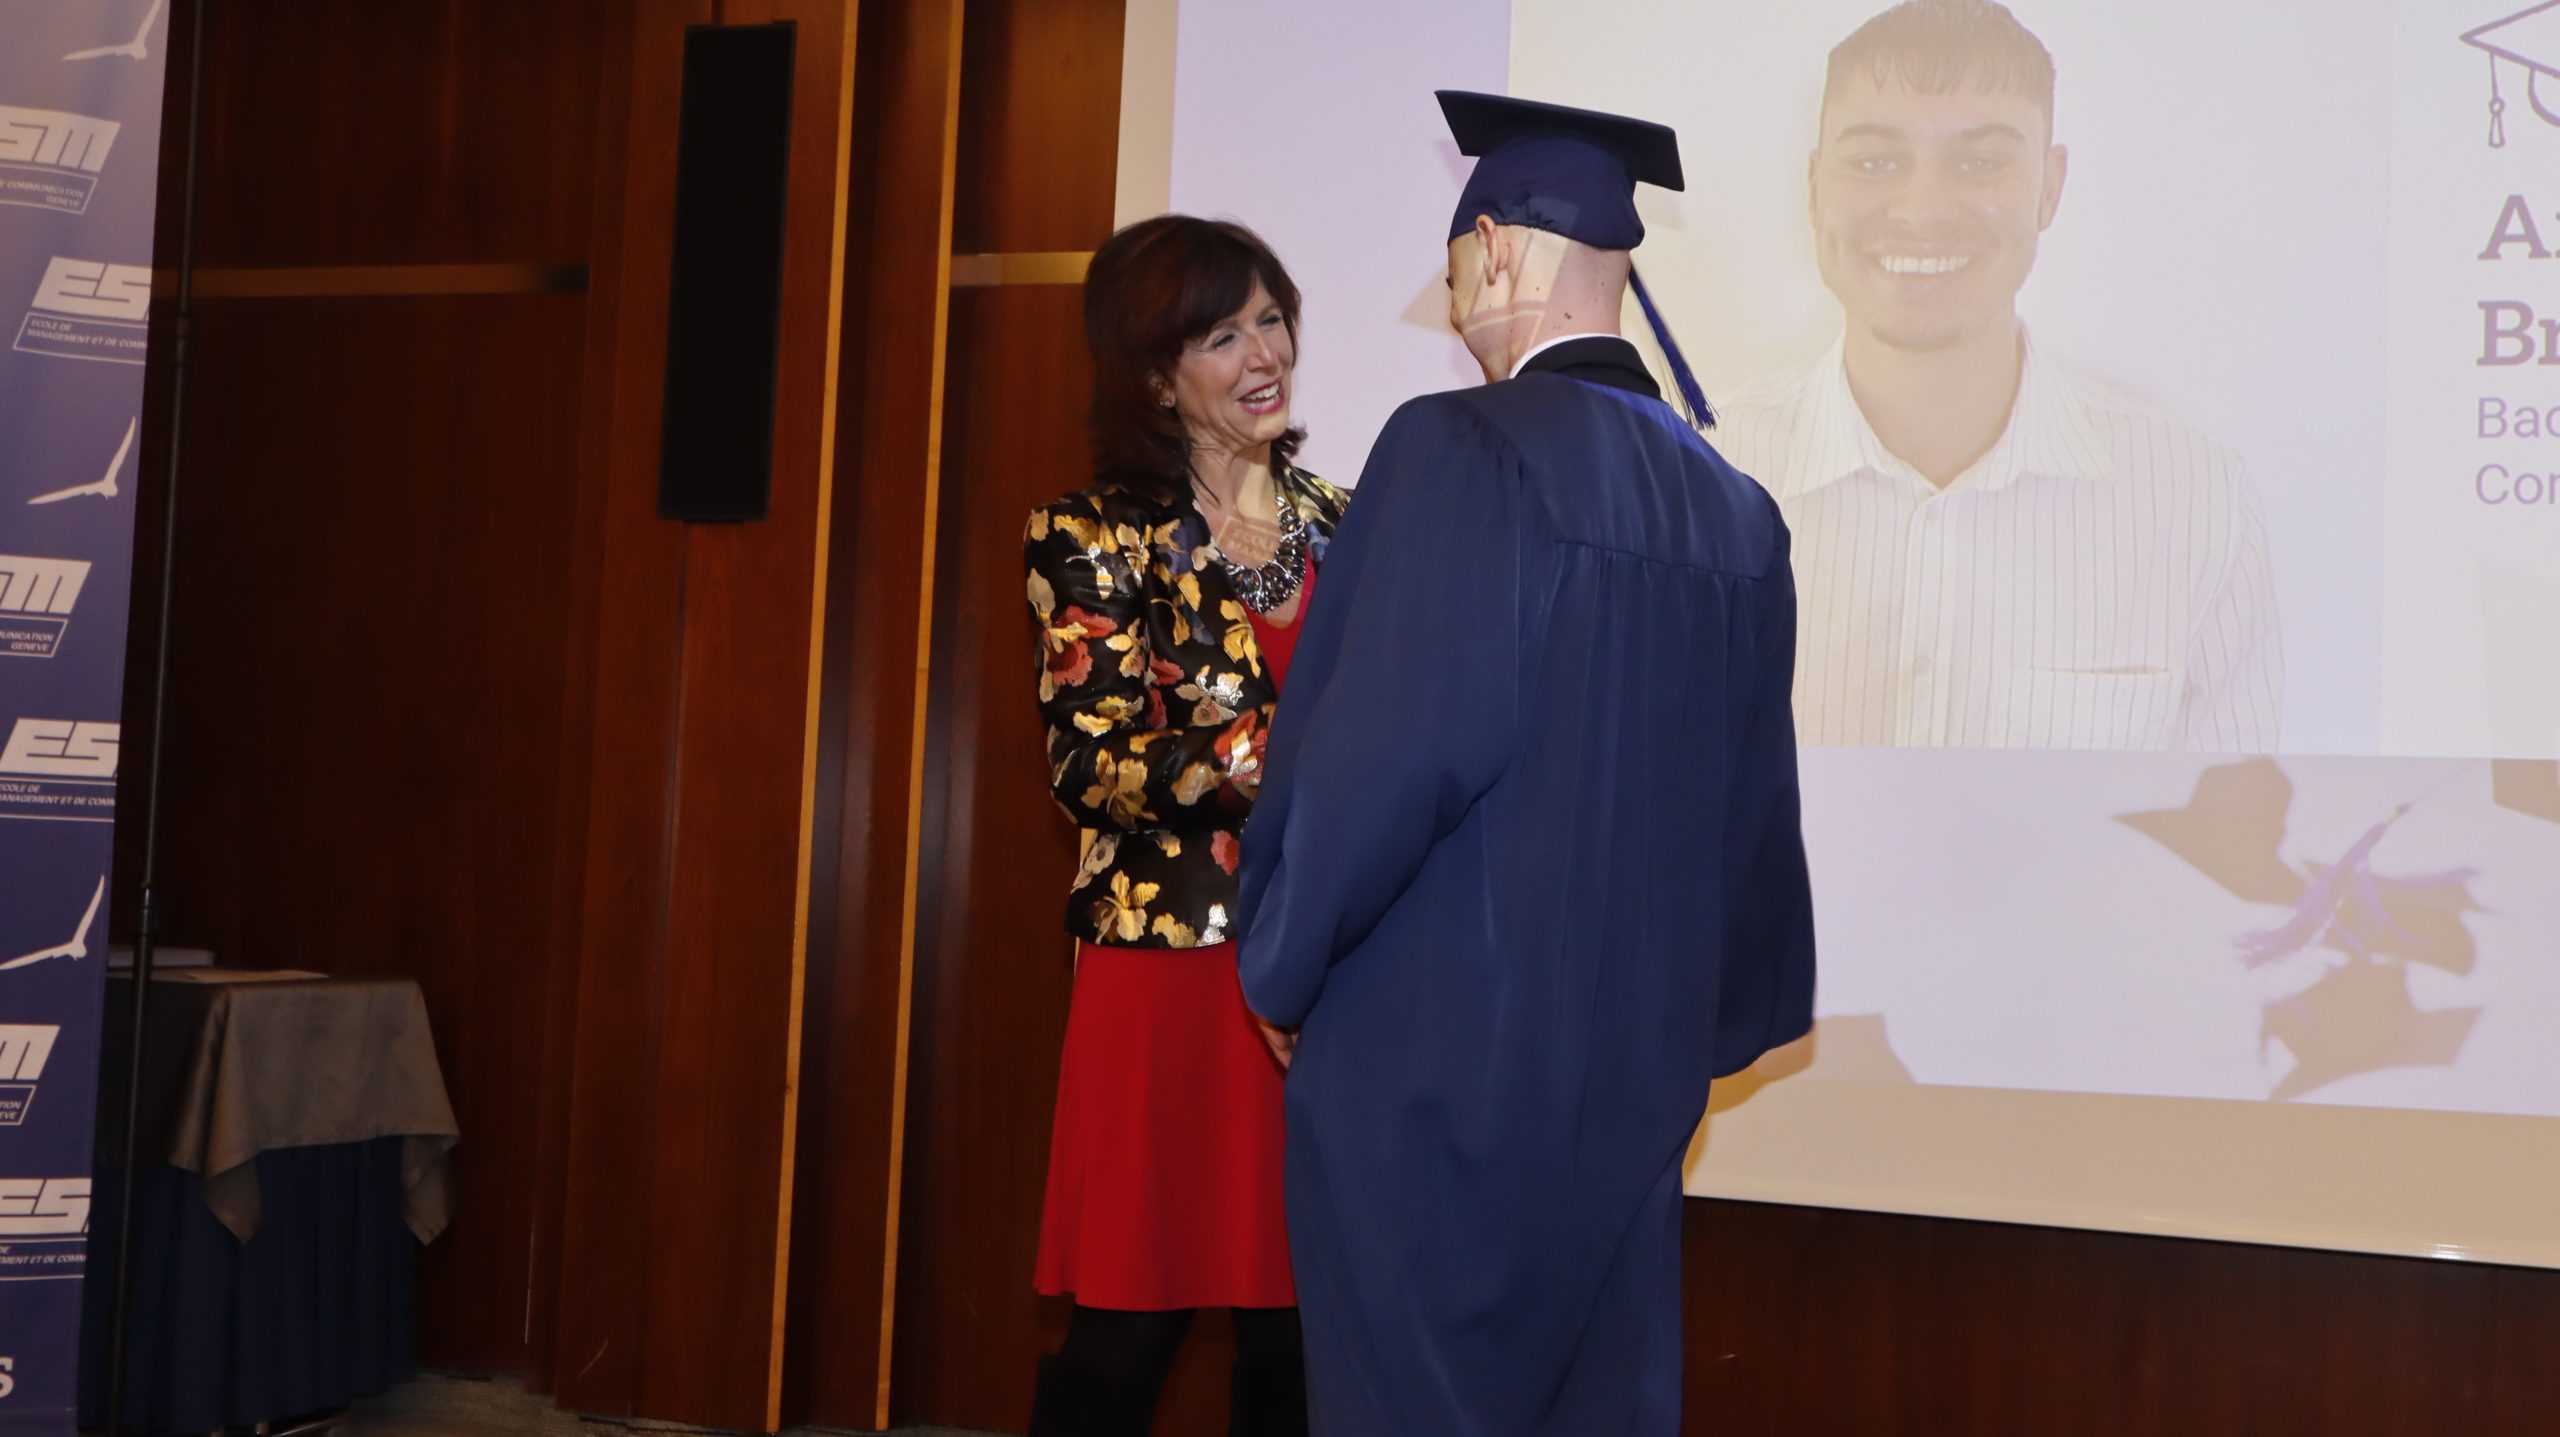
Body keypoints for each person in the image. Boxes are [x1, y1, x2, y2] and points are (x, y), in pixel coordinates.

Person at [1235, 94, 1817, 1436]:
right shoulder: (1740, 513)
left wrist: (1285, 954)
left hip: (1437, 1067)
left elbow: (1384, 757)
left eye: (1452, 272)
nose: (1452, 305)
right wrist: (1694, 1032)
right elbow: (1753, 812)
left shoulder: (1462, 450)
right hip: (1632, 1081)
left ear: (1494, 249)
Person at [1713, 0, 2283, 751]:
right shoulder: (1689, 481)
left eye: (1979, 162)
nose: (1921, 208)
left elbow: (2231, 823)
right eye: (1875, 161)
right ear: (1816, 185)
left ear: (2049, 186)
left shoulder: (2197, 503)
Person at [1022, 214, 1348, 1437]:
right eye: (1221, 335)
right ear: (1156, 376)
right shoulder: (1090, 535)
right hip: (1167, 971)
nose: (1265, 354)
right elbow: (1090, 763)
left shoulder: (1355, 522)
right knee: (1131, 1319)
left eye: (1270, 319)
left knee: (1299, 1319)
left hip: (1323, 966)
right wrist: (1286, 759)